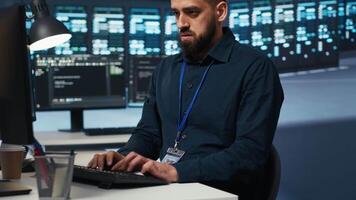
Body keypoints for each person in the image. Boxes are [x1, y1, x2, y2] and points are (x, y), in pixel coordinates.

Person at [88, 0, 284, 199]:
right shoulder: (165, 69)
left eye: (192, 12)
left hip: (220, 193)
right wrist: (124, 157)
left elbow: (249, 153)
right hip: (169, 190)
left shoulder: (255, 69)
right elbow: (149, 134)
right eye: (176, 13)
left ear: (220, 12)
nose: (181, 23)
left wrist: (177, 172)